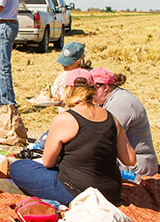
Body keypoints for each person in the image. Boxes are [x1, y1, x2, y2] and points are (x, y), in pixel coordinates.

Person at [8, 69, 136, 205]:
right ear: (92, 89)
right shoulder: (112, 118)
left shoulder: (65, 118)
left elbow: (48, 162)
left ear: (68, 90)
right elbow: (130, 160)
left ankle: (32, 191)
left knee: (18, 167)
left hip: (77, 192)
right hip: (111, 194)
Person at [91, 67, 158, 176]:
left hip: (137, 164)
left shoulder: (122, 103)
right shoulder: (111, 99)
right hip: (124, 159)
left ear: (105, 87)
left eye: (92, 88)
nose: (89, 93)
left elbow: (103, 137)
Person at [51, 41, 91, 112]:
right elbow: (54, 96)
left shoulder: (89, 76)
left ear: (79, 60)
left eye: (68, 62)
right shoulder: (62, 76)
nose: (64, 65)